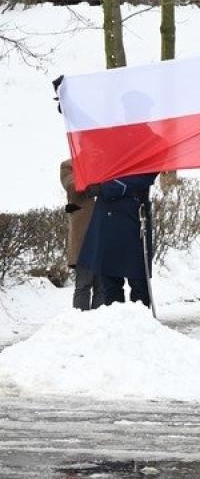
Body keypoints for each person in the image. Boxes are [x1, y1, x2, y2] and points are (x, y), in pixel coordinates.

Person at [79, 173, 158, 307]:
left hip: (133, 219)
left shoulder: (143, 155)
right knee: (110, 282)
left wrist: (105, 187)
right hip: (107, 218)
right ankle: (116, 324)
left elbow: (145, 176)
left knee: (138, 281)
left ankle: (141, 324)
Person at [53, 76, 97, 310]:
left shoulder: (102, 164)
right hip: (84, 236)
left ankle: (102, 320)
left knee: (103, 284)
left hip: (104, 233)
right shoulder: (69, 165)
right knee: (84, 284)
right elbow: (73, 186)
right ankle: (81, 323)